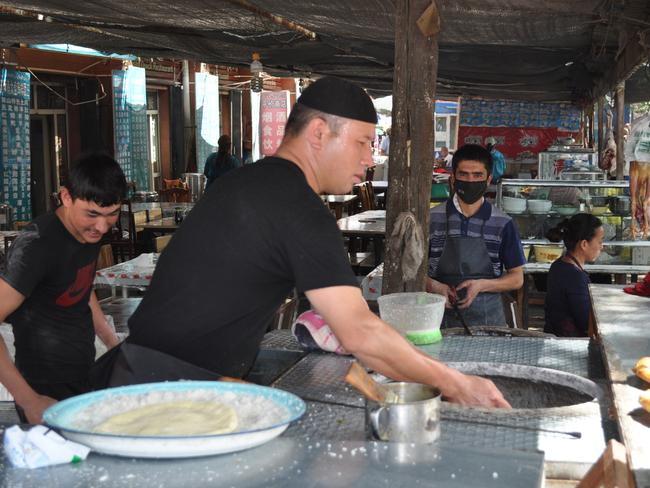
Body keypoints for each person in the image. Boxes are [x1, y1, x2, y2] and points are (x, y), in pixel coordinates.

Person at [93, 77, 509, 409]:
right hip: (161, 393)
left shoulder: (247, 180)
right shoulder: (297, 206)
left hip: (146, 373)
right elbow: (359, 332)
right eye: (363, 142)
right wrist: (455, 383)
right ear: (318, 133)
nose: (370, 157)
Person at [0, 153, 127, 423]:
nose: (101, 226)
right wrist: (28, 399)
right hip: (43, 390)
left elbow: (80, 286)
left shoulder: (87, 232)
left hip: (82, 374)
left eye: (112, 214)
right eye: (92, 214)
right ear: (66, 197)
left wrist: (112, 343)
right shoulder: (36, 246)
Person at [426, 144, 525, 328]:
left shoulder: (503, 223)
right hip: (436, 319)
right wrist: (433, 286)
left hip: (488, 320)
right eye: (464, 174)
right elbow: (411, 271)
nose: (470, 181)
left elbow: (517, 278)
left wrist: (481, 285)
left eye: (477, 175)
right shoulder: (431, 219)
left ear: (488, 179)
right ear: (453, 178)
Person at [544, 214, 604, 337]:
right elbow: (587, 324)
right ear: (584, 244)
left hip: (554, 335)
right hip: (569, 343)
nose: (601, 247)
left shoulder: (558, 264)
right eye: (599, 241)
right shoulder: (575, 277)